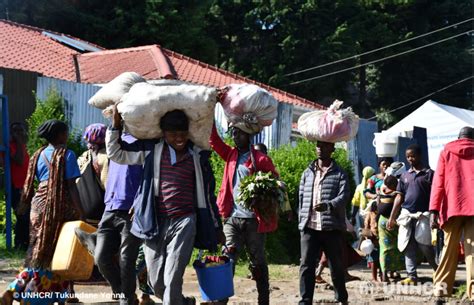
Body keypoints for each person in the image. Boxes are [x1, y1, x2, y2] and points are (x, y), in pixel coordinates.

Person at [107, 106, 223, 305]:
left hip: (185, 221)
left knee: (173, 277)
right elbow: (117, 153)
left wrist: (217, 226)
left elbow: (208, 195)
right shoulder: (152, 150)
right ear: (163, 133)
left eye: (182, 133)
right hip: (154, 221)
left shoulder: (197, 157)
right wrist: (115, 125)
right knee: (157, 283)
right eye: (173, 134)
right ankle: (184, 303)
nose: (179, 138)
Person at [1, 119, 84, 305]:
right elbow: (71, 186)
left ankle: (14, 289)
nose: (67, 135)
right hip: (58, 207)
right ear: (61, 135)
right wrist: (81, 212)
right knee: (57, 253)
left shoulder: (38, 154)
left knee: (36, 251)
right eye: (66, 132)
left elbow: (33, 181)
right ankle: (33, 297)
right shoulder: (67, 155)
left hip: (37, 205)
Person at [210, 124, 278, 305]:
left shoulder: (260, 159)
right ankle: (221, 300)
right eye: (234, 133)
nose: (236, 136)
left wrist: (261, 195)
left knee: (257, 262)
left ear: (249, 135)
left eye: (239, 133)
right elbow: (214, 141)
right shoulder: (230, 155)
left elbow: (275, 183)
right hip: (232, 218)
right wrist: (209, 116)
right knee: (227, 259)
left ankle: (263, 299)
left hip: (253, 222)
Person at [76, 131, 143, 305]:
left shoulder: (146, 142)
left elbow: (151, 177)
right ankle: (122, 293)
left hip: (131, 209)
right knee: (101, 258)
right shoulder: (113, 142)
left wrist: (140, 201)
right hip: (110, 207)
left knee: (126, 258)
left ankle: (126, 298)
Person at [298, 141, 349, 305]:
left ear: (332, 149)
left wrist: (329, 206)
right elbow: (301, 197)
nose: (320, 149)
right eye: (318, 146)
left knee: (336, 266)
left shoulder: (340, 173)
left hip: (331, 227)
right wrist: (301, 220)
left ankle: (341, 299)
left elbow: (344, 196)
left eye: (325, 146)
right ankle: (305, 300)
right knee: (306, 265)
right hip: (309, 227)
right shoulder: (307, 172)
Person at [430, 126, 474, 302]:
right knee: (473, 252)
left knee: (449, 250)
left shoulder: (446, 153)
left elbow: (438, 182)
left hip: (452, 208)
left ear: (458, 138)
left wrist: (433, 209)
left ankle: (440, 293)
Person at [387, 144, 438, 285]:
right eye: (408, 156)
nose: (410, 159)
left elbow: (436, 195)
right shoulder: (404, 176)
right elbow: (399, 197)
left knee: (425, 245)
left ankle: (438, 271)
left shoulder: (429, 174)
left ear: (420, 156)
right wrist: (392, 217)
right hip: (407, 214)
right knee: (407, 244)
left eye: (413, 156)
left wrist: (435, 215)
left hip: (424, 214)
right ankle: (412, 276)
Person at [376, 174, 404, 282]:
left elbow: (378, 203)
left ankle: (388, 273)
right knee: (392, 248)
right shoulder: (397, 192)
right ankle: (387, 273)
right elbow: (398, 202)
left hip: (383, 221)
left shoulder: (381, 189)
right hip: (391, 221)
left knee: (386, 248)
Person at [9, 122, 30, 250]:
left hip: (25, 186)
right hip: (16, 187)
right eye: (16, 131)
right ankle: (19, 244)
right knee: (22, 215)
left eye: (21, 131)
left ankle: (23, 242)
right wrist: (18, 142)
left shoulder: (22, 147)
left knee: (26, 216)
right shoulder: (10, 147)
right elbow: (19, 160)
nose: (20, 133)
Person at [77, 123, 109, 189]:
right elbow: (106, 185)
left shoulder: (84, 155)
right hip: (99, 197)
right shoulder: (106, 157)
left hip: (81, 196)